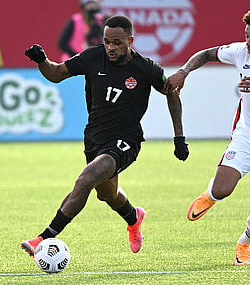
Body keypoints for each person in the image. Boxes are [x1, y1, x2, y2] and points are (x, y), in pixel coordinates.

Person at [21, 15, 189, 256]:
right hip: (94, 138)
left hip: (125, 141)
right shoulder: (93, 57)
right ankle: (134, 217)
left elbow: (171, 93)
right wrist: (41, 60)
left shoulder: (146, 68)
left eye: (117, 42)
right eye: (107, 41)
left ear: (130, 40)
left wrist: (179, 138)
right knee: (107, 194)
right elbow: (56, 74)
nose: (111, 47)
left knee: (86, 179)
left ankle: (44, 237)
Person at [164, 6, 250, 265]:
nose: (248, 42)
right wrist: (184, 71)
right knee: (222, 189)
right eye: (247, 35)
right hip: (247, 135)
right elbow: (205, 54)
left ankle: (245, 244)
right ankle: (210, 195)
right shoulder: (240, 51)